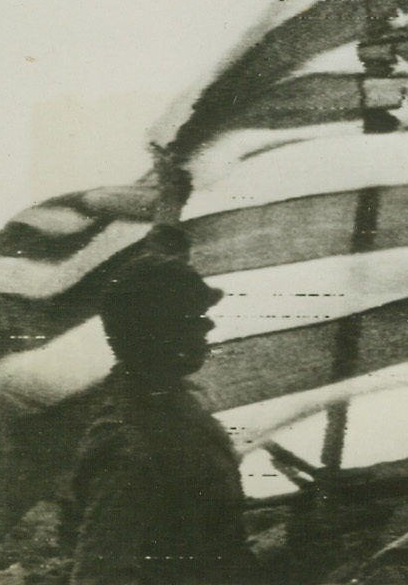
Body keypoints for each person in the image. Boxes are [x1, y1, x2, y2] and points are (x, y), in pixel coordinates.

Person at [69, 225, 261, 584]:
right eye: (190, 318)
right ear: (152, 333)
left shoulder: (181, 410)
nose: (208, 325)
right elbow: (100, 575)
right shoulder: (130, 442)